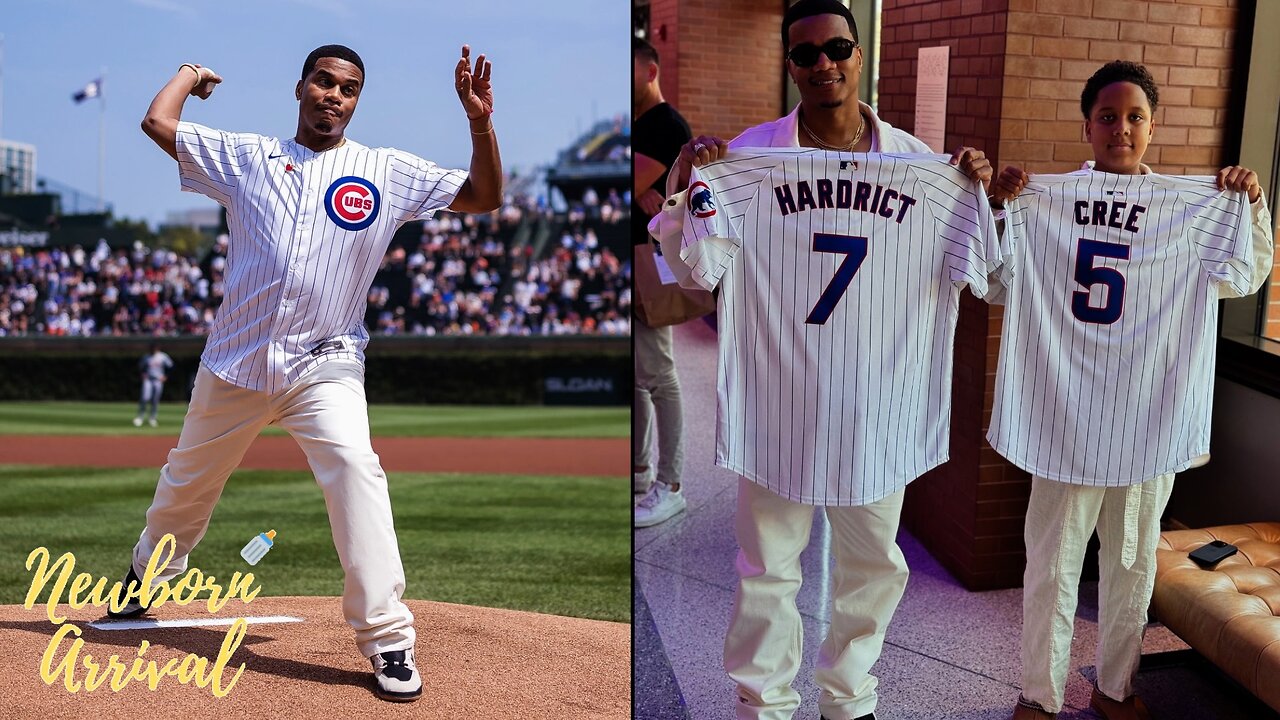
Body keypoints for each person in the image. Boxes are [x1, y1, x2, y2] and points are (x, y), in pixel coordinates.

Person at [110, 44, 502, 703]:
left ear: (356, 101)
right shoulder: (246, 158)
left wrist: (478, 122)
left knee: (355, 467)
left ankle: (388, 639)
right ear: (301, 87)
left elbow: (486, 196)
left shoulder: (385, 171)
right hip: (234, 363)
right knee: (187, 485)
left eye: (348, 88)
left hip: (326, 365)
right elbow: (157, 123)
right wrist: (191, 74)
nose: (334, 95)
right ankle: (145, 577)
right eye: (324, 81)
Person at [665, 1, 995, 717]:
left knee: (873, 568)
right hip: (777, 398)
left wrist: (976, 188)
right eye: (806, 54)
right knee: (766, 571)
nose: (824, 64)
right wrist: (688, 179)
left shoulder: (921, 163)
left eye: (837, 48)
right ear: (790, 66)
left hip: (878, 400)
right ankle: (766, 705)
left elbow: (989, 276)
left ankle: (849, 699)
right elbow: (692, 268)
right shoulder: (747, 158)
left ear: (857, 54)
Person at [986, 60, 1274, 720]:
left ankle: (1116, 685)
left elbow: (1245, 274)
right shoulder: (1042, 199)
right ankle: (1039, 693)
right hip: (1065, 416)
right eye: (1108, 117)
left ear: (1153, 126)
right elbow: (996, 281)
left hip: (1146, 417)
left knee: (1132, 564)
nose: (1122, 128)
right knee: (1053, 568)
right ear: (1087, 125)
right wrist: (1003, 208)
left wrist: (1250, 203)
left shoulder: (1191, 209)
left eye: (1135, 117)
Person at [632, 36, 692, 528]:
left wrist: (644, 191)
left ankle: (669, 483)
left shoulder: (664, 124)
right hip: (637, 259)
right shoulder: (636, 125)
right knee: (638, 378)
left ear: (650, 70)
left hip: (650, 263)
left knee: (659, 374)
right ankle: (638, 473)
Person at [134, 342, 174, 427]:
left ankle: (152, 418)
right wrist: (142, 374)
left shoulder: (163, 356)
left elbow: (171, 367)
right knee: (145, 397)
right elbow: (140, 367)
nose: (152, 350)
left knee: (155, 400)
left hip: (158, 380)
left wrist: (166, 376)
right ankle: (140, 417)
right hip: (148, 379)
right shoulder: (146, 357)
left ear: (158, 348)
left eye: (154, 348)